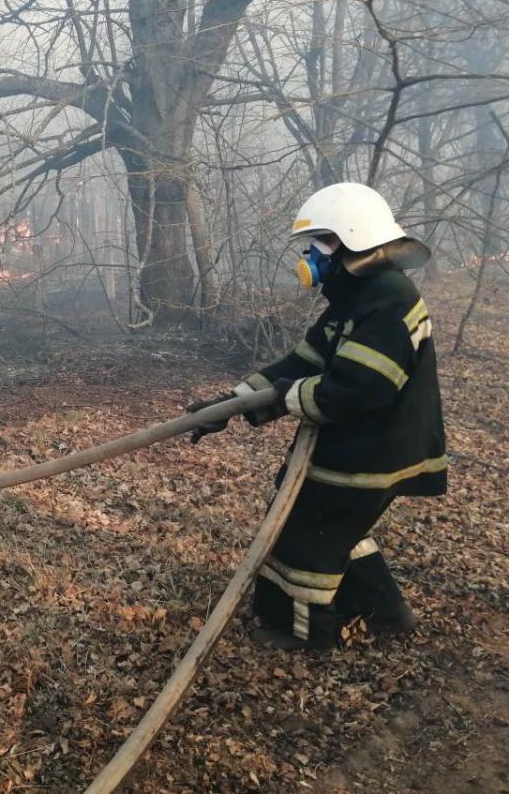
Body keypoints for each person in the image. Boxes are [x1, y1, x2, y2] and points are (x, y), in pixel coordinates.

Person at [190, 182, 447, 650]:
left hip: (372, 452)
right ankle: (387, 612)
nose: (311, 256)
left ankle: (309, 635)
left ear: (352, 240)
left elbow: (358, 390)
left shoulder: (388, 300)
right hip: (356, 445)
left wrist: (290, 396)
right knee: (340, 528)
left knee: (305, 535)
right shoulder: (355, 298)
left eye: (320, 243)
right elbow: (301, 364)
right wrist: (225, 405)